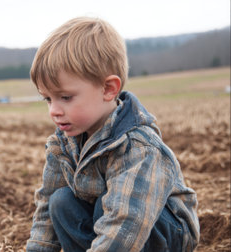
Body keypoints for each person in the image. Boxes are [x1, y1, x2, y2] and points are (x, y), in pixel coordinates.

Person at [26, 17, 200, 252]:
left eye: (65, 97)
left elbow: (126, 222)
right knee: (60, 201)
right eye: (48, 99)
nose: (54, 111)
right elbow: (46, 206)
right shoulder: (63, 143)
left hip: (160, 230)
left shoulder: (139, 147)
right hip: (109, 226)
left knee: (105, 206)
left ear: (108, 89)